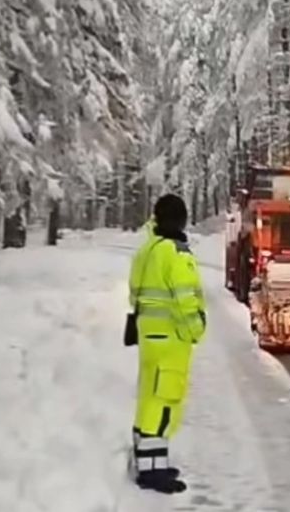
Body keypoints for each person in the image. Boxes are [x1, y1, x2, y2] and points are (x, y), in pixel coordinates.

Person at [126, 194, 207, 494]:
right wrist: (196, 329)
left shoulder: (147, 250)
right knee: (164, 402)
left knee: (149, 395)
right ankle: (152, 472)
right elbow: (185, 299)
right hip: (172, 338)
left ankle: (149, 459)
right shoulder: (176, 253)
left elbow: (135, 294)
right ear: (180, 219)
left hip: (149, 335)